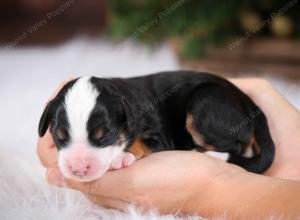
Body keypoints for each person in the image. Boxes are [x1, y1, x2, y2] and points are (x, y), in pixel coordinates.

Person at [37, 78, 300, 219]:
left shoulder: (132, 111)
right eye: (62, 139)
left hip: (213, 98)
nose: (79, 163)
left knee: (202, 113)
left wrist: (213, 185)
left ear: (127, 118)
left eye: (102, 138)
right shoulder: (118, 105)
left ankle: (227, 145)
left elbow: (156, 139)